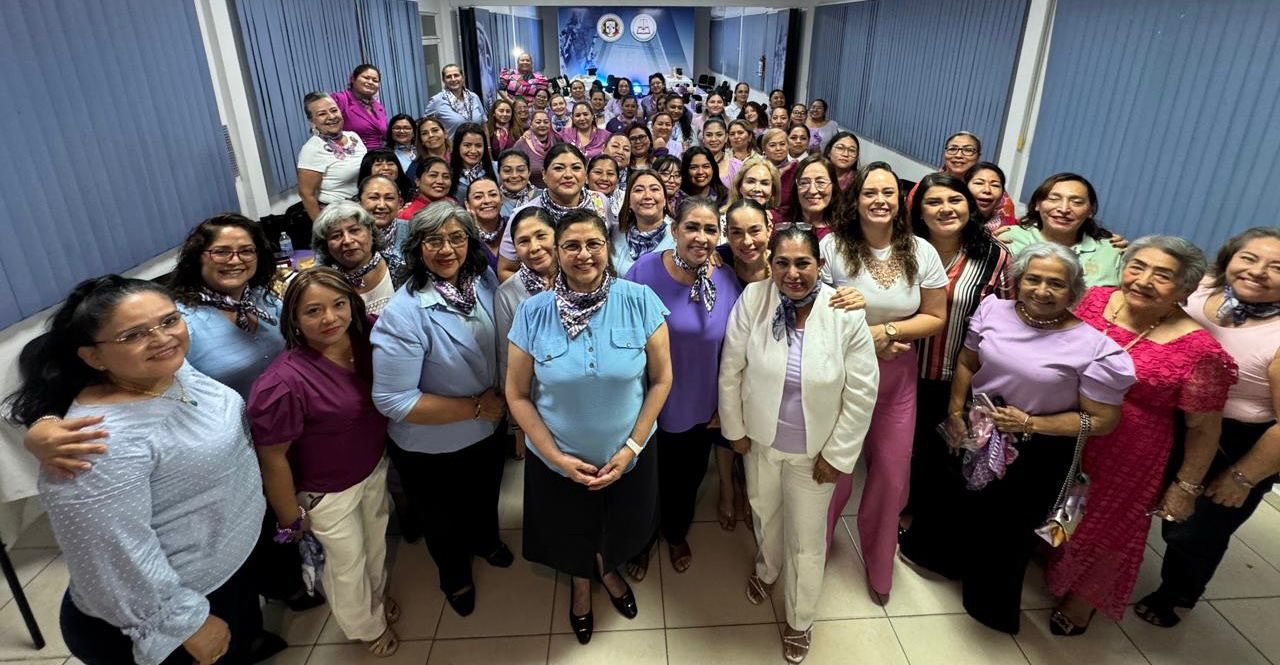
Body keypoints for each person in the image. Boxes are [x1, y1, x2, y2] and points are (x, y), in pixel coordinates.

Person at [7, 276, 279, 665]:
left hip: (222, 571)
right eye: (134, 334)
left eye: (169, 321)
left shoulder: (172, 372)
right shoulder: (95, 443)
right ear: (94, 357)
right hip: (169, 613)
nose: (162, 338)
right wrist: (184, 624)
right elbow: (113, 555)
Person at [902, 243, 1136, 634]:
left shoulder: (1097, 350)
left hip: (1037, 450)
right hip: (977, 428)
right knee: (955, 500)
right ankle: (938, 559)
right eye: (1034, 279)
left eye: (1056, 284)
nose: (1042, 290)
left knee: (1005, 528)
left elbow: (1102, 420)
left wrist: (1030, 423)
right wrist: (955, 411)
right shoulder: (994, 309)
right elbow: (966, 361)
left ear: (1074, 290)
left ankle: (986, 599)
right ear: (1019, 280)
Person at [1044, 237, 1236, 634]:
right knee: (1056, 503)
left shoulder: (1200, 350)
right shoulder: (1094, 300)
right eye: (1137, 266)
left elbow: (1203, 427)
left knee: (1106, 525)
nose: (1143, 280)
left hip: (1130, 450)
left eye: (1162, 275)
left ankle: (1083, 600)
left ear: (1185, 289)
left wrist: (1185, 486)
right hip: (1063, 425)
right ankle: (1050, 563)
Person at [506, 208, 672, 645]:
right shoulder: (533, 312)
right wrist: (556, 456)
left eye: (593, 244)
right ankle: (581, 584)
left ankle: (608, 569)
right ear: (557, 252)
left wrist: (632, 447)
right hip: (557, 455)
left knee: (620, 524)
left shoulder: (639, 300)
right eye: (572, 246)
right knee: (568, 528)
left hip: (627, 453)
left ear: (608, 249)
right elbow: (517, 394)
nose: (584, 255)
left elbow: (662, 379)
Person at [720, 225, 879, 664]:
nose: (793, 273)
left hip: (817, 453)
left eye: (803, 263)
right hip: (761, 441)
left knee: (807, 541)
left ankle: (800, 619)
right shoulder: (754, 300)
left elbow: (862, 393)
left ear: (820, 266)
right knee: (764, 512)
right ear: (770, 264)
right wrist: (734, 428)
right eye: (783, 263)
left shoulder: (844, 313)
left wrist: (839, 455)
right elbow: (731, 368)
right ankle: (767, 570)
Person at [248, 267, 400, 656]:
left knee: (376, 544)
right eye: (313, 311)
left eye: (338, 305)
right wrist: (288, 515)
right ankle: (366, 626)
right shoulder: (283, 383)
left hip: (371, 466)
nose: (330, 318)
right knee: (347, 565)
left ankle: (376, 601)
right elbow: (273, 457)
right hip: (327, 489)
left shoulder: (365, 335)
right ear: (294, 320)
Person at [1135, 227, 1280, 628]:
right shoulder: (1201, 289)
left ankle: (1177, 594)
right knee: (1148, 499)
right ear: (1229, 258)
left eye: (1277, 267)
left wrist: (1243, 477)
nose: (1258, 271)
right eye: (1249, 258)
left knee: (1193, 531)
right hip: (1173, 419)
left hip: (1236, 444)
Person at [370, 203, 511, 618]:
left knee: (485, 496)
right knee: (442, 517)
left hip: (487, 429)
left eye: (456, 238)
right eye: (433, 240)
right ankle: (454, 576)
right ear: (417, 247)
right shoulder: (404, 311)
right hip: (432, 444)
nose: (446, 249)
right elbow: (393, 400)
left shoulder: (481, 280)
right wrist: (476, 407)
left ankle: (486, 542)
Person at [821, 162, 948, 605]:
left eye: (888, 193)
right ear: (854, 200)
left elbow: (935, 316)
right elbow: (810, 312)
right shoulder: (833, 247)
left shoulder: (922, 251)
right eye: (870, 192)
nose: (880, 200)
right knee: (834, 469)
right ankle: (814, 547)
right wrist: (861, 336)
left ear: (900, 201)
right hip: (840, 371)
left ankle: (879, 561)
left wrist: (888, 333)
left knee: (892, 473)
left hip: (897, 375)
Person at [622, 196, 744, 579]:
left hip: (700, 404)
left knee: (686, 478)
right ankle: (639, 540)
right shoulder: (643, 272)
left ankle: (675, 533)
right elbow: (622, 333)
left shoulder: (725, 278)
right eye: (692, 227)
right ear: (674, 230)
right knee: (644, 478)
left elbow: (735, 350)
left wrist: (728, 405)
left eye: (711, 229)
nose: (701, 237)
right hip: (647, 403)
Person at [897, 172, 1014, 561]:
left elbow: (1009, 317)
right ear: (917, 210)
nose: (946, 209)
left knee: (947, 456)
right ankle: (906, 506)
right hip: (904, 370)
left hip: (960, 378)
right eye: (933, 202)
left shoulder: (995, 256)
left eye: (955, 200)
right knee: (908, 449)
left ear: (969, 205)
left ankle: (931, 535)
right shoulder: (903, 250)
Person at [496, 144, 612, 281]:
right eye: (559, 168)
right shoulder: (524, 215)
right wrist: (542, 294)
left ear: (586, 174)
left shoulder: (600, 201)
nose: (568, 175)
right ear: (544, 174)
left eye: (576, 168)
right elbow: (505, 270)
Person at [999, 173, 1124, 287]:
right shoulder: (1010, 238)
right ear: (1037, 204)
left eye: (1077, 202)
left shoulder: (1111, 250)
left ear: (1090, 211)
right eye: (1054, 199)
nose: (1064, 209)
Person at [311, 201, 401, 316]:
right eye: (336, 236)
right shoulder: (322, 284)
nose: (347, 241)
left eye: (354, 230)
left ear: (370, 231)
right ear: (325, 245)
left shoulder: (402, 270)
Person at [298, 92, 367, 222]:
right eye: (322, 114)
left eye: (334, 110)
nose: (331, 116)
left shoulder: (353, 137)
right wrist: (322, 228)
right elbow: (307, 195)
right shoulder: (312, 149)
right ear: (312, 121)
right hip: (337, 216)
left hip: (362, 209)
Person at [609, 170, 675, 276]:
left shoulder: (679, 236)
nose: (647, 196)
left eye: (654, 189)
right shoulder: (615, 233)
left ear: (665, 200)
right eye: (639, 190)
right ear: (629, 201)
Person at [332, 64, 387, 150]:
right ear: (353, 79)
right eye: (366, 78)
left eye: (375, 80)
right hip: (352, 157)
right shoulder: (340, 100)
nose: (370, 82)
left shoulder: (379, 107)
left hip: (379, 156)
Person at [425, 64, 487, 138]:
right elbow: (424, 127)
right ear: (443, 80)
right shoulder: (437, 101)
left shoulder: (474, 97)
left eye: (456, 75)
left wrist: (488, 147)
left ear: (463, 77)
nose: (453, 79)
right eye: (448, 77)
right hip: (452, 148)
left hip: (476, 147)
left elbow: (484, 125)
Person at [786, 156, 841, 238]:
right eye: (804, 183)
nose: (812, 191)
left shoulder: (843, 231)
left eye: (820, 182)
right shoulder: (781, 223)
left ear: (833, 186)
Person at [358, 174, 408, 266]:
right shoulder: (348, 235)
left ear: (400, 203)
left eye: (389, 198)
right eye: (374, 197)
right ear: (359, 202)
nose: (381, 205)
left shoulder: (414, 232)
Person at [725, 155, 783, 226]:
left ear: (772, 190)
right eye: (751, 182)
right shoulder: (722, 220)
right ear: (740, 186)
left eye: (764, 183)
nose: (757, 189)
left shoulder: (779, 223)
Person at [463, 177, 505, 269]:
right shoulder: (463, 234)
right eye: (478, 197)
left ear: (501, 199)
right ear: (467, 204)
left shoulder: (514, 226)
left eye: (493, 195)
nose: (487, 201)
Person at [513, 110, 561, 188]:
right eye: (538, 122)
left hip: (556, 190)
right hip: (531, 193)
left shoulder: (557, 139)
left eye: (546, 122)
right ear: (531, 124)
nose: (542, 125)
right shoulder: (521, 144)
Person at [449, 122, 497, 200]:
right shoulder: (448, 173)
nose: (473, 151)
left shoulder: (497, 168)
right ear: (458, 146)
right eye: (467, 145)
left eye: (478, 145)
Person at [965, 162, 1018, 231]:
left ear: (1002, 193)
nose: (987, 190)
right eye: (979, 183)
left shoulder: (1010, 228)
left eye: (995, 185)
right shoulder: (952, 221)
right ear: (964, 188)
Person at [399, 156, 456, 220]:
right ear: (417, 181)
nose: (440, 181)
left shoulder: (454, 206)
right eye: (433, 175)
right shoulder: (407, 216)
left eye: (446, 177)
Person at [497, 149, 539, 226]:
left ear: (529, 172)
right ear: (499, 173)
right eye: (507, 170)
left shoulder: (542, 198)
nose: (514, 175)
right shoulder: (494, 200)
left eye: (520, 170)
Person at [760, 128, 797, 212]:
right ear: (764, 148)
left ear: (788, 146)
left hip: (788, 218)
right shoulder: (757, 168)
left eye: (782, 144)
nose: (778, 148)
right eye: (772, 145)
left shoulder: (796, 168)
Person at [699, 118, 739, 187]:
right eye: (709, 135)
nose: (714, 139)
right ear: (703, 138)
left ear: (726, 137)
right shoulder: (693, 164)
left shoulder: (737, 166)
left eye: (719, 135)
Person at [587, 154, 624, 218]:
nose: (604, 178)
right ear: (586, 177)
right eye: (598, 172)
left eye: (610, 174)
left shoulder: (626, 200)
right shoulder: (577, 199)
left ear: (617, 180)